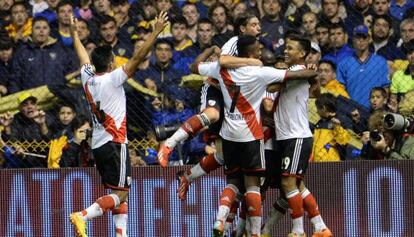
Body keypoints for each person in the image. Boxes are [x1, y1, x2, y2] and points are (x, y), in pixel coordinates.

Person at [190, 35, 317, 237]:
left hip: (229, 133)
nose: (260, 53)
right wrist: (311, 70)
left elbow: (195, 67)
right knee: (254, 186)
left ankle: (224, 222)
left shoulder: (221, 69)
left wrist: (210, 50)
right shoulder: (262, 73)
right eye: (258, 50)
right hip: (254, 136)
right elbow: (277, 92)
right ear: (251, 52)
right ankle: (256, 233)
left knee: (235, 182)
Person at [68, 12, 168, 237]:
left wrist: (75, 34)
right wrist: (155, 32)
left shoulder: (88, 78)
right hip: (115, 143)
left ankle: (120, 234)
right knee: (121, 194)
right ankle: (82, 215)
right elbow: (138, 56)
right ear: (112, 62)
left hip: (99, 145)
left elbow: (82, 57)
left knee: (118, 191)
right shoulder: (113, 79)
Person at [271, 35, 332, 237]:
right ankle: (320, 227)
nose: (286, 51)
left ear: (302, 53)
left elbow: (271, 87)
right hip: (289, 137)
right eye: (285, 47)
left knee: (288, 183)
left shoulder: (297, 72)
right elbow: (314, 88)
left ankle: (298, 231)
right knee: (297, 185)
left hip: (296, 137)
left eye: (290, 48)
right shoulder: (298, 73)